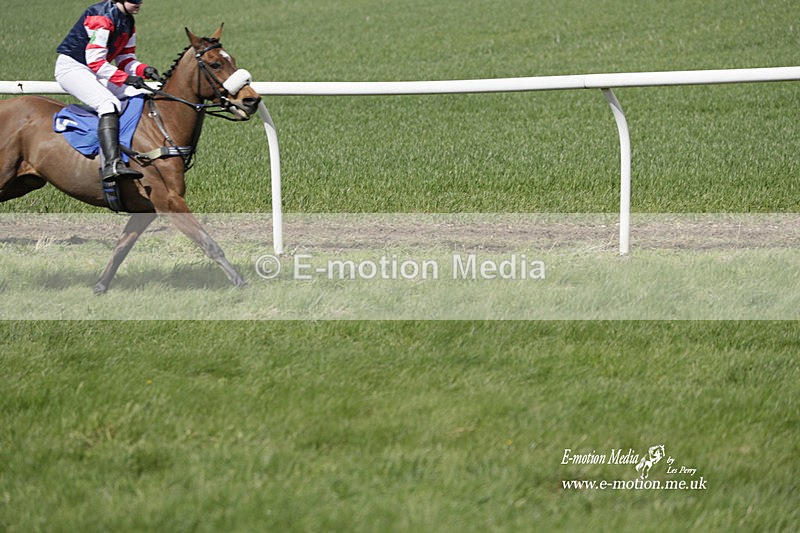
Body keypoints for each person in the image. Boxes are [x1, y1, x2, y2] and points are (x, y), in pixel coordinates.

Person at [55, 0, 160, 182]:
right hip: (73, 68)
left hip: (95, 69)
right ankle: (111, 164)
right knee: (108, 104)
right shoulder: (102, 17)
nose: (139, 3)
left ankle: (130, 147)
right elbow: (95, 61)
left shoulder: (128, 21)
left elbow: (125, 60)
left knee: (136, 94)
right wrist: (125, 78)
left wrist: (145, 70)